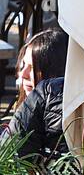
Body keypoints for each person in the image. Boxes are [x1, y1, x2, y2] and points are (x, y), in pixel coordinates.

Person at [3, 29, 69, 157]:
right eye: (23, 66)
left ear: (53, 69)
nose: (23, 74)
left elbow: (8, 159)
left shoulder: (44, 97)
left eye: (33, 68)